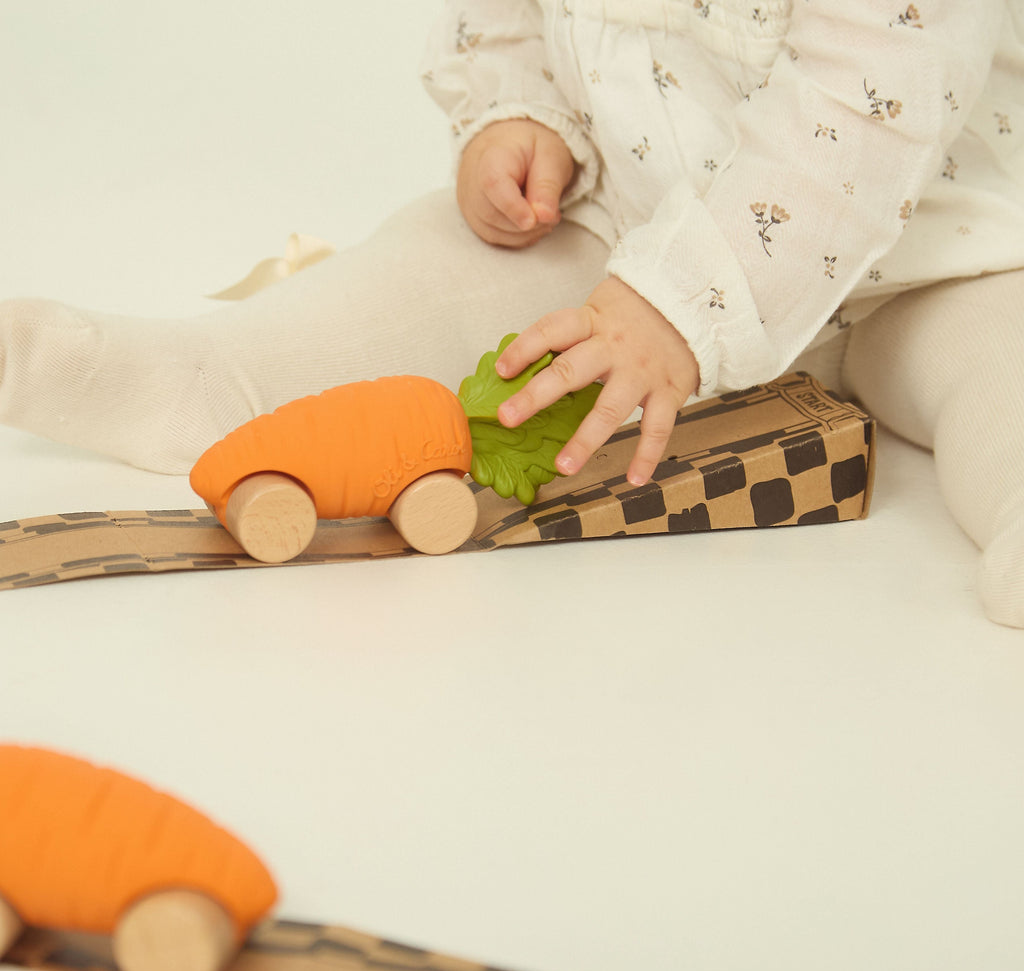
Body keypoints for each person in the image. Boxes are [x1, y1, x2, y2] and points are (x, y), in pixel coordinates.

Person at [1, 0, 1022, 627]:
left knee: (1000, 367)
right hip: (630, 227)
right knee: (418, 276)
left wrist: (680, 308)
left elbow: (864, 104)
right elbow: (508, 12)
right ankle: (206, 379)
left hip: (939, 253)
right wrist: (516, 111)